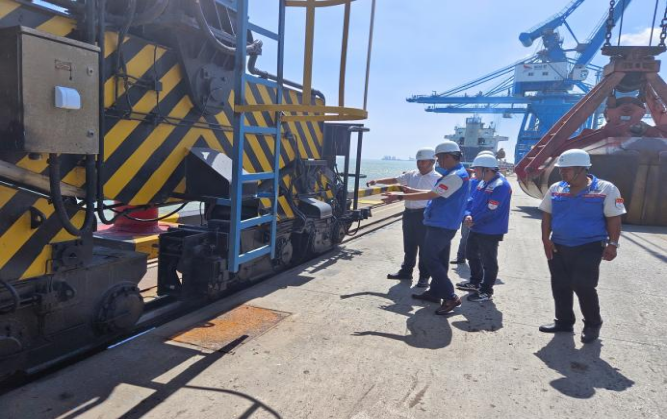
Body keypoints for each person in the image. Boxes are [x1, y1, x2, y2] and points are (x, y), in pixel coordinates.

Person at [537, 149, 625, 343]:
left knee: (583, 284)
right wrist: (545, 239)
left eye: (566, 170)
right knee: (560, 284)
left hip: (590, 245)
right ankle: (564, 322)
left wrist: (613, 244)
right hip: (559, 245)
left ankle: (593, 323)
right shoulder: (556, 188)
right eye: (561, 170)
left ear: (582, 169)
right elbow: (547, 214)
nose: (562, 173)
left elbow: (614, 218)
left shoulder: (605, 189)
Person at [383, 141, 470, 315]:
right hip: (442, 222)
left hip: (442, 223)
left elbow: (432, 194)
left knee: (429, 258)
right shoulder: (455, 173)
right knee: (440, 259)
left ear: (447, 157)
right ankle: (436, 292)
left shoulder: (455, 176)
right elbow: (434, 192)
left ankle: (450, 296)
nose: (438, 162)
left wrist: (400, 196)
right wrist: (408, 192)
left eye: (439, 159)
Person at [368, 148, 440, 287]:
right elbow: (395, 179)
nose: (420, 164)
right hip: (408, 213)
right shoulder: (411, 174)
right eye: (418, 161)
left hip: (424, 214)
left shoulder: (437, 178)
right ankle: (406, 271)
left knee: (424, 247)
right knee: (409, 244)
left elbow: (434, 195)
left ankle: (424, 276)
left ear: (432, 162)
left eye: (423, 161)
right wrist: (376, 181)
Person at [455, 153, 512, 302]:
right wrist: (467, 215)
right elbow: (471, 201)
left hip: (490, 230)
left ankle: (486, 290)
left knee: (489, 261)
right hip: (476, 226)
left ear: (486, 170)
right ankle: (475, 282)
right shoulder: (482, 183)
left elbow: (491, 209)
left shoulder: (501, 185)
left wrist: (473, 219)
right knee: (471, 254)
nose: (474, 172)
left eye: (476, 169)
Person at [450, 150, 493, 264]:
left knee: (475, 238)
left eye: (477, 169)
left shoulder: (493, 184)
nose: (475, 171)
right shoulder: (472, 181)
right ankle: (461, 257)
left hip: (479, 215)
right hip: (468, 214)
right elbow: (466, 197)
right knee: (465, 236)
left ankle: (473, 259)